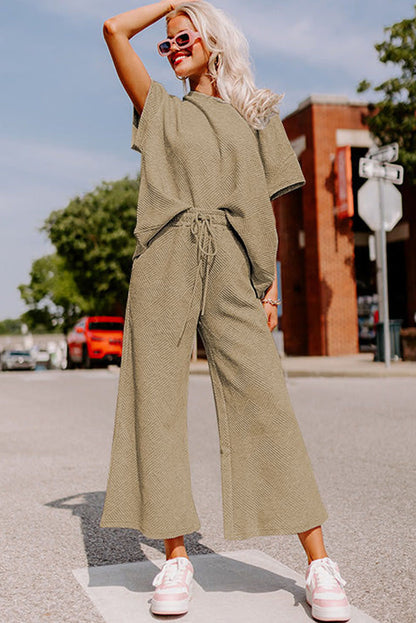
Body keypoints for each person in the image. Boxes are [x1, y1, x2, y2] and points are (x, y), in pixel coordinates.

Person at [99, 2, 351, 620]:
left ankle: (319, 562)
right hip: (164, 259)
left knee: (265, 404)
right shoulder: (159, 108)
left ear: (211, 41)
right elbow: (112, 29)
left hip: (235, 267)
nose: (172, 48)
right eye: (166, 44)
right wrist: (169, 6)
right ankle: (175, 557)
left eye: (182, 38)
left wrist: (269, 285)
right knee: (154, 403)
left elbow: (268, 208)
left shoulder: (258, 113)